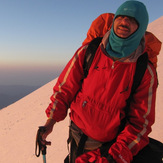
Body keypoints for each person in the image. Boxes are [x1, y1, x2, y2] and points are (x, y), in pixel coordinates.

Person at [40, 1, 158, 162]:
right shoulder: (90, 51)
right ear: (114, 19)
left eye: (132, 20)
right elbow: (64, 89)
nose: (124, 22)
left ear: (141, 28)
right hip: (76, 134)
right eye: (121, 17)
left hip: (108, 147)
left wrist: (115, 156)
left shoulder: (144, 71)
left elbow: (140, 124)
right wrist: (50, 122)